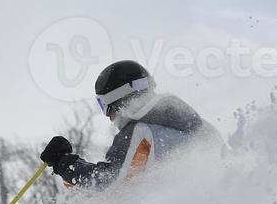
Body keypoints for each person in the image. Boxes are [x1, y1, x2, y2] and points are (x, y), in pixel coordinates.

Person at [40, 60, 221, 189]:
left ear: (119, 98)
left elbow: (109, 183)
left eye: (105, 105)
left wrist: (64, 163)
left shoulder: (140, 130)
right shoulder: (196, 125)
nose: (108, 116)